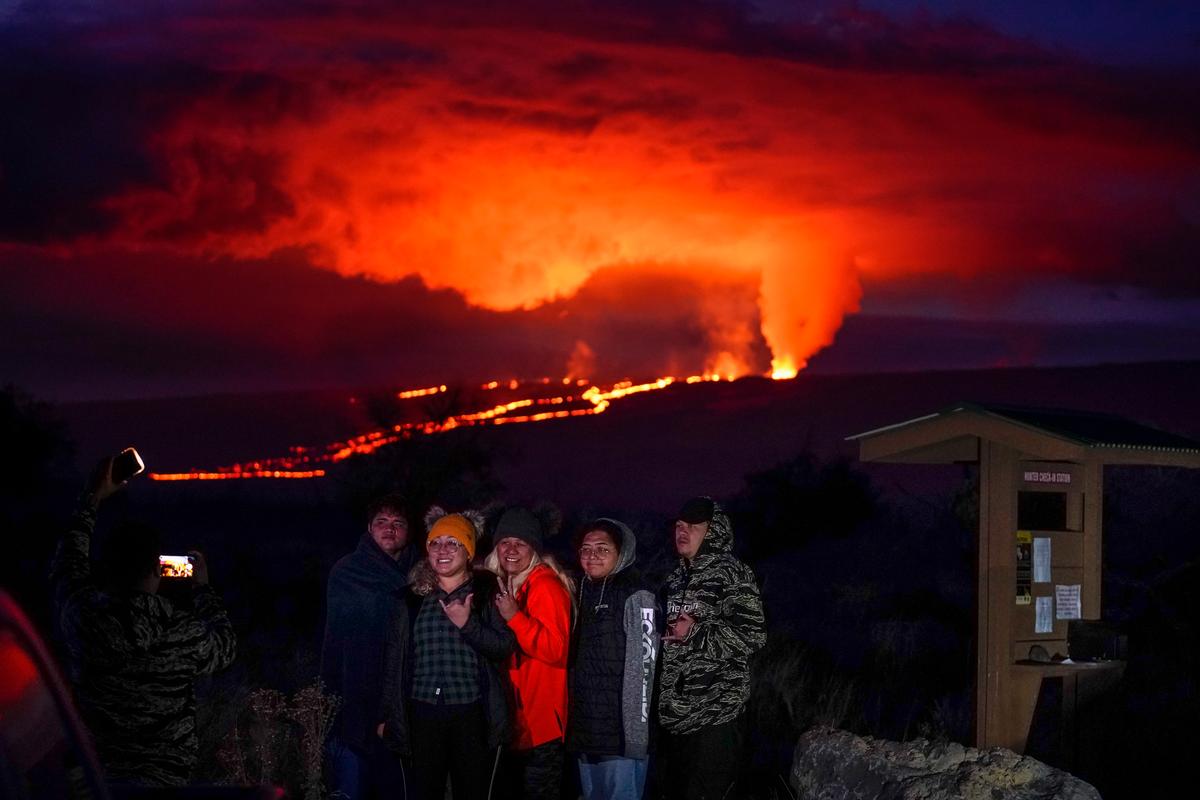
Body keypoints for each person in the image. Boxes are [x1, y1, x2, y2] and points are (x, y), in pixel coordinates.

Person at [50, 457, 236, 786]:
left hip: (96, 781)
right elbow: (225, 647)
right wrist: (203, 591)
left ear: (108, 567)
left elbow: (68, 566)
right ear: (158, 569)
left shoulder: (83, 618)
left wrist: (91, 499)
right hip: (162, 782)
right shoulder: (184, 631)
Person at [380, 508, 514, 800]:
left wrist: (468, 624)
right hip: (422, 711)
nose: (442, 549)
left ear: (468, 551)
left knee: (473, 791)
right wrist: (388, 715)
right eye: (435, 542)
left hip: (471, 712)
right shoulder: (411, 599)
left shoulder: (487, 592)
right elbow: (395, 659)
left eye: (452, 542)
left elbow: (504, 647)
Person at [656, 496, 765, 800]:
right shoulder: (677, 576)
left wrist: (696, 633)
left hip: (716, 715)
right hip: (677, 718)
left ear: (713, 531)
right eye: (679, 525)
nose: (682, 531)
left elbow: (753, 636)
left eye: (693, 526)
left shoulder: (732, 573)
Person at [321, 491, 419, 800]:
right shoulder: (347, 571)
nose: (390, 529)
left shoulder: (424, 573)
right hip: (356, 690)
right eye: (382, 522)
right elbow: (337, 638)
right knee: (354, 782)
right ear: (369, 527)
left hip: (408, 694)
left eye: (398, 523)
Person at [485, 506, 575, 800]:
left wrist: (515, 617)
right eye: (504, 542)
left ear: (533, 548)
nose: (511, 549)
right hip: (517, 723)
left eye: (520, 543)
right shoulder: (509, 583)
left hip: (540, 725)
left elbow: (556, 649)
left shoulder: (546, 586)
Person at [567, 518, 660, 800]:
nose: (592, 555)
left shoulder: (637, 594)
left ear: (622, 553)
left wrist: (635, 736)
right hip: (587, 727)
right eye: (585, 549)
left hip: (620, 734)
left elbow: (644, 665)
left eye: (602, 549)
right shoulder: (581, 591)